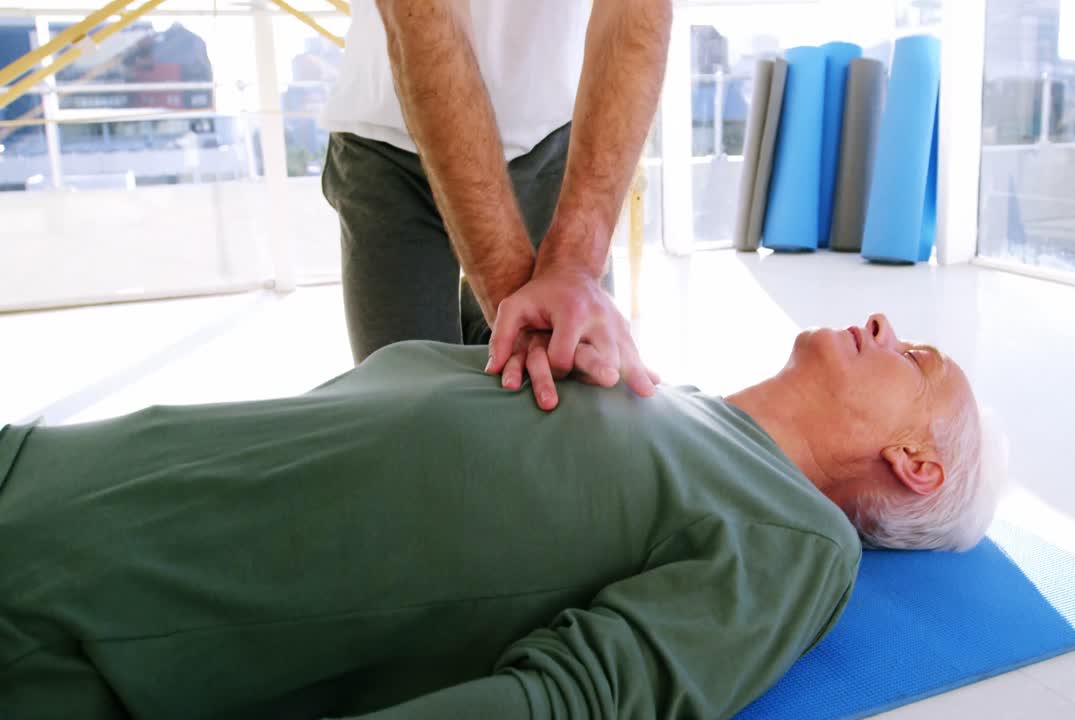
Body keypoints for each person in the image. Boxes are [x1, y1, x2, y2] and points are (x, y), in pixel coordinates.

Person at [0, 314, 1003, 719]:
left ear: (913, 465)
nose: (879, 325)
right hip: (60, 466)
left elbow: (565, 706)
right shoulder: (657, 387)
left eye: (914, 358)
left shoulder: (797, 540)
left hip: (76, 617)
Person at [321, 0, 671, 412]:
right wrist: (523, 322)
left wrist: (574, 266)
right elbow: (425, 19)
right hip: (391, 142)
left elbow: (634, 13)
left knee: (574, 407)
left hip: (553, 135)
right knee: (411, 410)